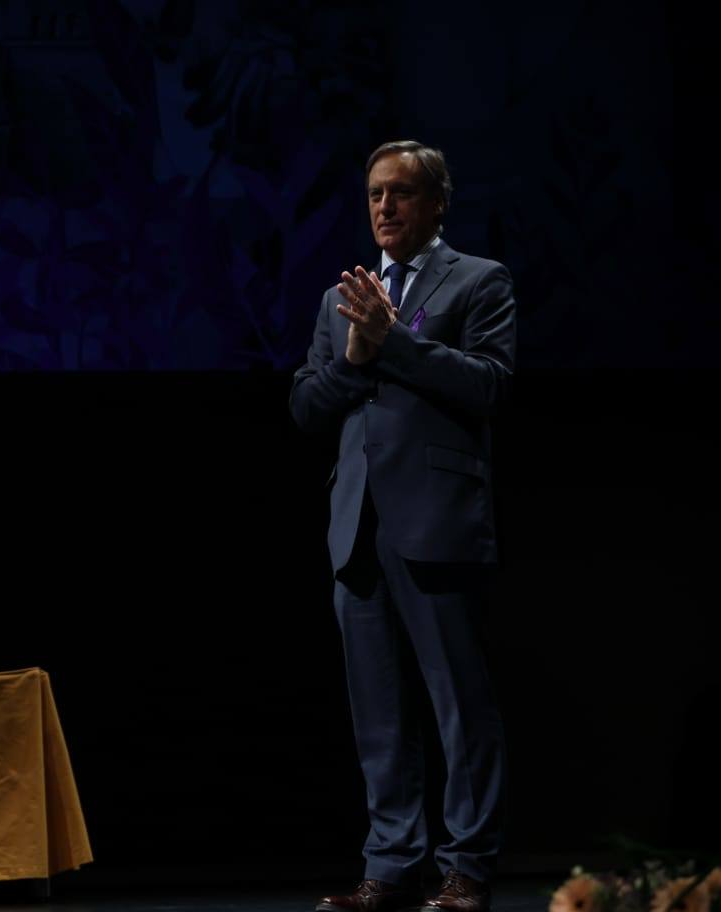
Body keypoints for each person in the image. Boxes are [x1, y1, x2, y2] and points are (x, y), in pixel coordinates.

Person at [289, 141, 516, 912]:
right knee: (379, 716)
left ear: (436, 203)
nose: (385, 207)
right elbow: (308, 406)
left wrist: (398, 343)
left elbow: (487, 384)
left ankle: (468, 870)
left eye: (403, 193)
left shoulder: (479, 281)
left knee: (460, 707)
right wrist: (355, 354)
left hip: (437, 522)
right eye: (376, 194)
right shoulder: (340, 300)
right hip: (358, 527)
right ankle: (388, 868)